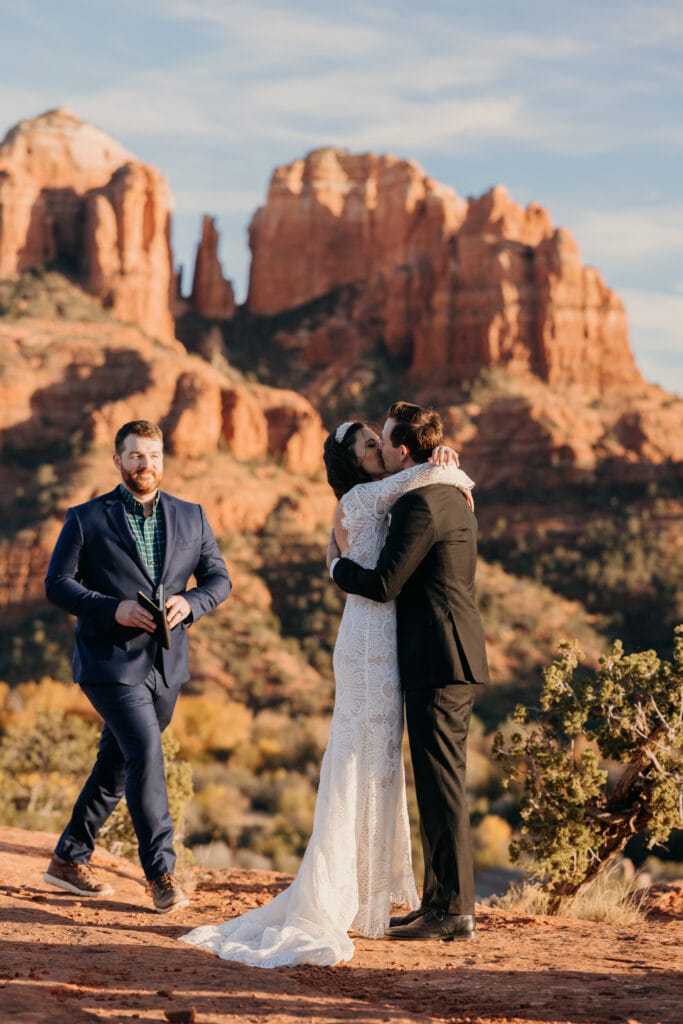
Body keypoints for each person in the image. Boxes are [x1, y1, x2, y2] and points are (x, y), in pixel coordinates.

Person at [179, 419, 474, 966]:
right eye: (368, 445)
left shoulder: (378, 496)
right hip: (367, 641)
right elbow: (423, 475)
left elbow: (419, 480)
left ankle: (377, 898)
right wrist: (448, 469)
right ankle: (355, 895)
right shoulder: (367, 494)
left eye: (379, 441)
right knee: (358, 755)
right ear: (356, 462)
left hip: (387, 639)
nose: (377, 449)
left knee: (380, 762)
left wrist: (438, 464)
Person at [43, 420, 231, 913]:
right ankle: (161, 874)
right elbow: (57, 584)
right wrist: (112, 608)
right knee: (147, 750)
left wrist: (192, 603)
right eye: (135, 456)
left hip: (168, 665)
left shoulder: (191, 516)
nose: (146, 465)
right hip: (108, 663)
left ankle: (68, 857)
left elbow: (218, 578)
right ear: (117, 461)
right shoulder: (85, 518)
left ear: (163, 459)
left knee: (118, 761)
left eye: (153, 455)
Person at [328, 402, 490, 942]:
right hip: (445, 656)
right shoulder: (448, 490)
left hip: (439, 659)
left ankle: (454, 910)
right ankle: (439, 901)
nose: (382, 448)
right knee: (440, 783)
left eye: (386, 440)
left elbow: (384, 585)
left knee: (443, 786)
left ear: (402, 449)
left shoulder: (422, 502)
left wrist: (334, 566)